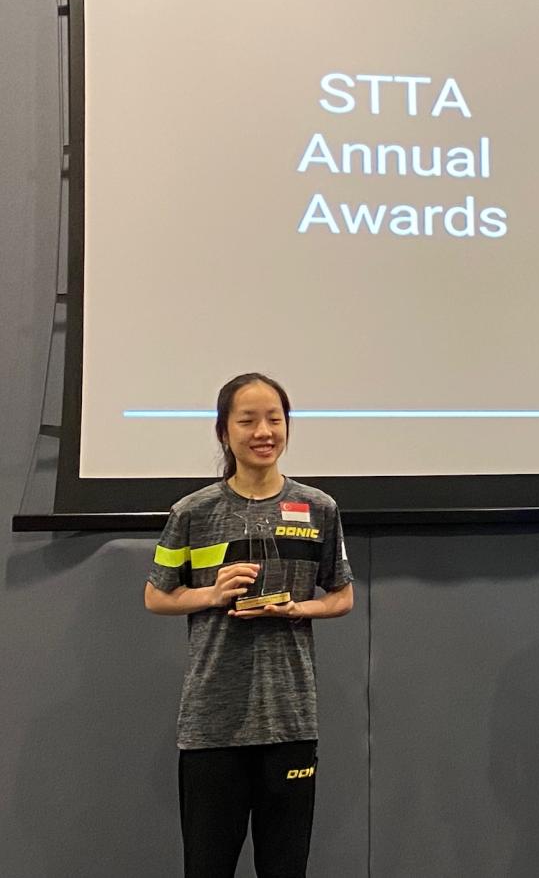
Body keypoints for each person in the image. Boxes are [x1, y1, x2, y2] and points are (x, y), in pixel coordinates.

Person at [144, 373, 354, 878]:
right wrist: (212, 594)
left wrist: (297, 609)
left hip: (290, 720)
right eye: (248, 420)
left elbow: (343, 596)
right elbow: (156, 594)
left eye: (275, 419)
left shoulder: (319, 509)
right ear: (224, 431)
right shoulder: (192, 512)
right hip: (211, 726)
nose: (264, 431)